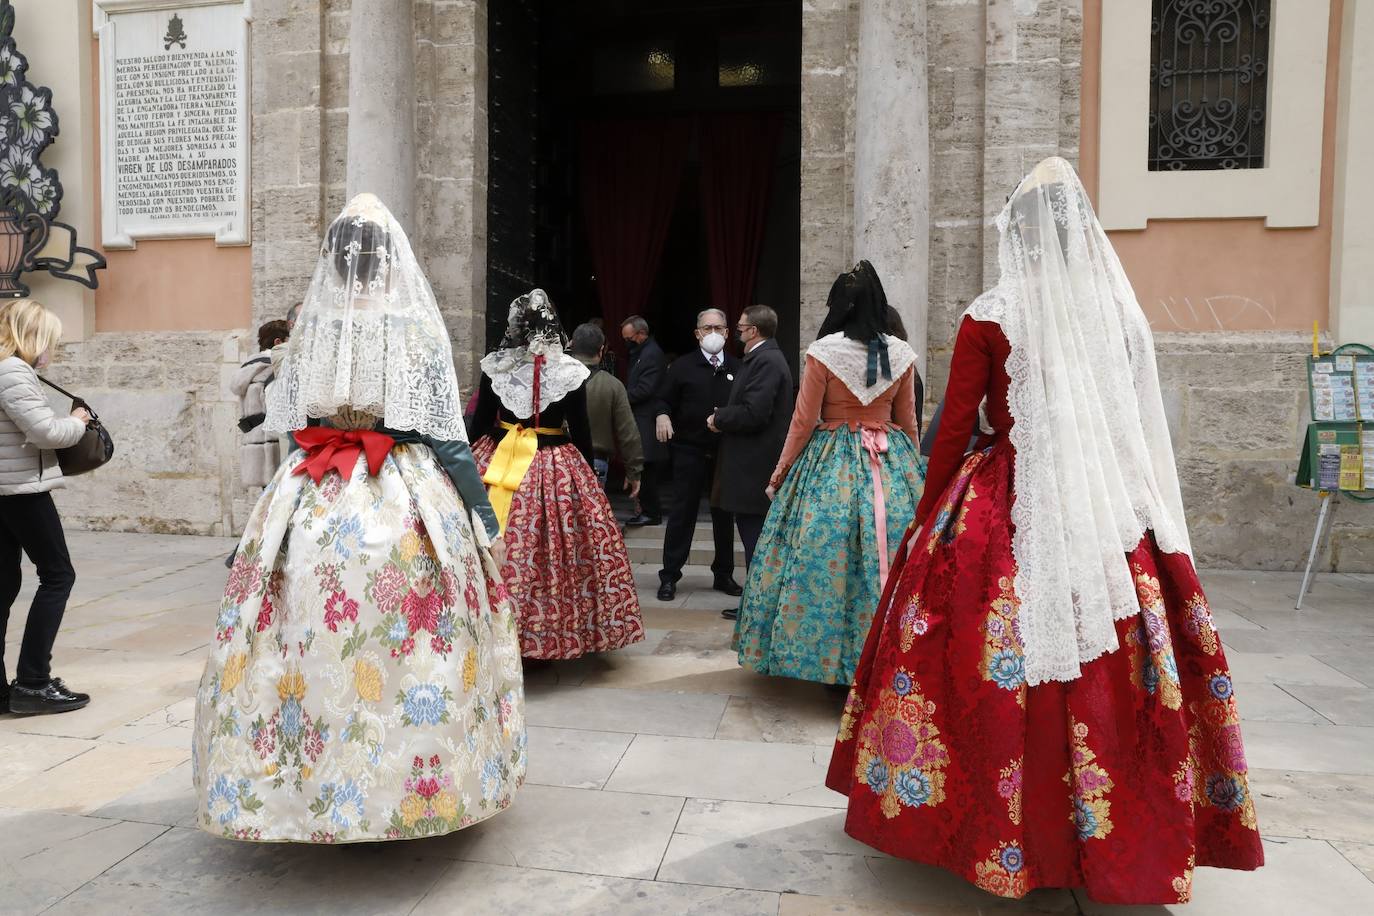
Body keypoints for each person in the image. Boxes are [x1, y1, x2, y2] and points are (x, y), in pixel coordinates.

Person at [827, 158, 1263, 902]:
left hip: (1006, 501)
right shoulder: (1120, 313)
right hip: (1110, 509)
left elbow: (955, 427)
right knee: (1124, 666)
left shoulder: (991, 314)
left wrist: (926, 520)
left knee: (975, 651)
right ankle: (1121, 831)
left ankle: (997, 833)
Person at [192, 194, 525, 843]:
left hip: (311, 497)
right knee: (408, 652)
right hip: (403, 502)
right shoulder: (410, 328)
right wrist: (482, 520)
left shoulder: (310, 329)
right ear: (390, 261)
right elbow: (449, 443)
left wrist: (284, 513)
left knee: (301, 650)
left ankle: (301, 788)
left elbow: (295, 432)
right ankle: (405, 788)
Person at [733, 264, 925, 684]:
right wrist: (915, 472)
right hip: (891, 461)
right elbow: (908, 421)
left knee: (825, 561)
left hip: (831, 462)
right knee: (890, 558)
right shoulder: (901, 352)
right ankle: (887, 656)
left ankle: (828, 661)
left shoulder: (824, 352)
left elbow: (803, 422)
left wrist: (781, 473)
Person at [471, 290, 644, 659]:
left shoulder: (496, 367)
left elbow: (481, 423)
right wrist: (584, 485)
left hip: (499, 458)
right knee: (558, 553)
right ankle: (550, 633)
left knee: (497, 540)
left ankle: (487, 627)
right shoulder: (569, 372)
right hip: (554, 463)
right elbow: (580, 431)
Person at [0, 299, 91, 716]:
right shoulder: (13, 371)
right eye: (51, 341)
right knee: (58, 576)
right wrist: (78, 422)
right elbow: (44, 432)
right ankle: (33, 683)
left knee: (3, 587)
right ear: (33, 337)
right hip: (21, 492)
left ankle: (5, 691)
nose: (52, 349)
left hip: (6, 490)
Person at [710, 305, 794, 620]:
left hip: (755, 467)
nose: (737, 331)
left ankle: (757, 606)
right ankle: (755, 602)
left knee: (756, 540)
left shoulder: (767, 360)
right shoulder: (762, 358)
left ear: (754, 331)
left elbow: (755, 412)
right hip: (751, 466)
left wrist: (720, 417)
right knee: (753, 538)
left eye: (741, 326)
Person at [654, 308, 742, 603]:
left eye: (719, 327)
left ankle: (724, 573)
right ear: (697, 333)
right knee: (682, 513)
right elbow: (662, 399)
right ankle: (669, 576)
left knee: (723, 514)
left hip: (725, 451)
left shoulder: (739, 367)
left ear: (728, 332)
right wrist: (662, 415)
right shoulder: (681, 366)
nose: (713, 333)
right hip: (688, 449)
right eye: (707, 328)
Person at [568, 322, 644, 494]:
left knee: (557, 519)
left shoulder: (553, 379)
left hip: (557, 462)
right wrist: (634, 471)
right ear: (601, 349)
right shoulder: (612, 385)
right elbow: (628, 432)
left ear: (572, 345)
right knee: (591, 518)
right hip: (596, 461)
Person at [232, 319, 289, 489]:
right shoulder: (273, 367)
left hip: (254, 443)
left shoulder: (247, 369)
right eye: (289, 340)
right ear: (277, 342)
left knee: (265, 504)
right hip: (275, 445)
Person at [620, 316, 666, 526]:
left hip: (646, 418)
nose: (626, 342)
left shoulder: (651, 354)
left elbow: (646, 389)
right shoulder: (641, 353)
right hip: (640, 416)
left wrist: (621, 398)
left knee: (646, 466)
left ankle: (651, 512)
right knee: (643, 464)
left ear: (640, 334)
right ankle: (646, 509)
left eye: (629, 338)